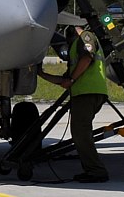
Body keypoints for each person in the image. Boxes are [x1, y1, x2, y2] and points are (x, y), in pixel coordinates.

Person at [39, 23, 110, 183]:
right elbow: (64, 80)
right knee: (80, 133)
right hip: (85, 93)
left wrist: (72, 79)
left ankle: (96, 170)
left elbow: (87, 57)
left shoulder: (85, 37)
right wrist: (42, 74)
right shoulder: (75, 47)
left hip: (88, 92)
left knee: (81, 133)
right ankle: (92, 169)